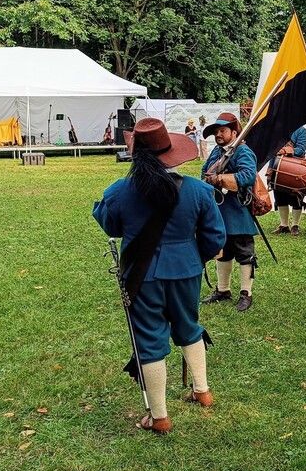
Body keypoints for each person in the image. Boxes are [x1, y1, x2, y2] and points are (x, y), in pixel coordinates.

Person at [93, 118, 226, 435]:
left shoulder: (119, 191)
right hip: (186, 271)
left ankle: (160, 417)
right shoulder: (198, 191)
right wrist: (195, 259)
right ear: (171, 153)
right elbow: (215, 237)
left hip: (142, 275)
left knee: (150, 340)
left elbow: (111, 227)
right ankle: (202, 391)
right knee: (188, 326)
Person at [201, 112, 258, 312]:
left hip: (238, 210)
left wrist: (220, 179)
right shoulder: (217, 152)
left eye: (222, 130)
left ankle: (246, 293)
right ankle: (223, 290)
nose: (218, 134)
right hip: (219, 210)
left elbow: (248, 175)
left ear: (234, 132)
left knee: (244, 253)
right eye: (217, 131)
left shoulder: (242, 151)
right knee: (222, 252)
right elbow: (205, 172)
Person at [272, 126, 306, 235]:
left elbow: (301, 149)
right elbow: (274, 152)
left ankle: (295, 225)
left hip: (295, 168)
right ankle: (284, 225)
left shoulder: (301, 130)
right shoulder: (279, 130)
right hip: (278, 166)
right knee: (279, 196)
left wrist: (286, 150)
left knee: (296, 197)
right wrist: (271, 169)